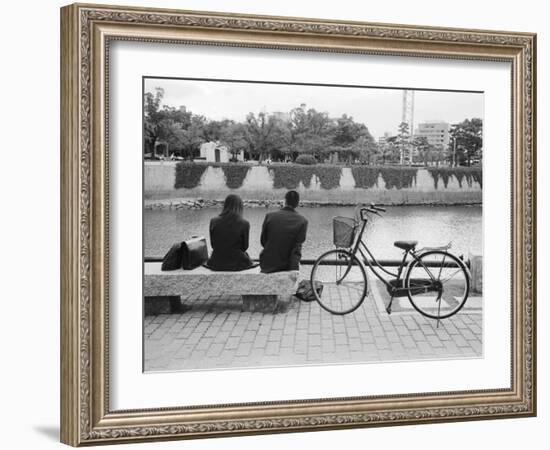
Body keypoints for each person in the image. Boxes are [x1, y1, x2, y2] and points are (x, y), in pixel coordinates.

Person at [259, 190, 308, 273]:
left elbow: (263, 241)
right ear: (297, 203)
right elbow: (296, 248)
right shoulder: (302, 221)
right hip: (287, 266)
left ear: (285, 201)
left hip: (267, 263)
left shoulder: (270, 216)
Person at [205, 194, 255, 271]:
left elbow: (213, 245)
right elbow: (245, 247)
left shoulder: (213, 221)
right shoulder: (244, 223)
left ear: (225, 205)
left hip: (216, 261)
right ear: (240, 207)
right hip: (238, 262)